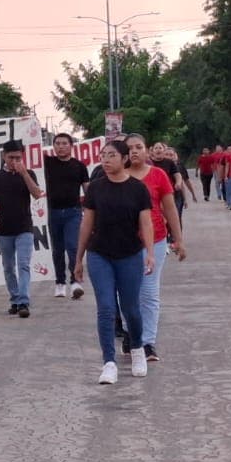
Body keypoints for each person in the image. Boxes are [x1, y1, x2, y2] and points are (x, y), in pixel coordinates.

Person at [73, 139, 155, 384]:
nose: (105, 160)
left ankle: (137, 349)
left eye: (111, 155)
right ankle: (109, 362)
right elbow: (87, 224)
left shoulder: (138, 189)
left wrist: (150, 253)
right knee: (106, 308)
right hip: (100, 254)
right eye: (103, 155)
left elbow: (146, 223)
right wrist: (78, 258)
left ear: (124, 158)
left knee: (131, 309)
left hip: (130, 254)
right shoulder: (96, 189)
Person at [123, 134, 186, 364]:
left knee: (149, 292)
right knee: (127, 293)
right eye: (129, 148)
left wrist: (178, 240)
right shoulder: (118, 176)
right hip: (123, 243)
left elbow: (170, 209)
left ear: (147, 150)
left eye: (139, 147)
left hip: (156, 240)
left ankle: (148, 341)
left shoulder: (158, 175)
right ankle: (130, 332)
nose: (134, 151)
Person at [0, 139, 43, 318]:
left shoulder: (29, 173)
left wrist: (24, 174)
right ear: (4, 156)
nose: (14, 161)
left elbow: (37, 194)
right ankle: (15, 299)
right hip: (4, 228)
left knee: (23, 264)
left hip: (24, 227)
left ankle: (24, 301)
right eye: (11, 158)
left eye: (18, 158)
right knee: (8, 267)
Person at [44, 133, 90, 299]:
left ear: (71, 146)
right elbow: (29, 152)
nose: (60, 146)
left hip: (73, 212)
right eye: (57, 143)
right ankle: (60, 282)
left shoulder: (79, 166)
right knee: (57, 249)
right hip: (53, 212)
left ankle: (75, 281)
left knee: (72, 247)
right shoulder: (47, 163)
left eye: (64, 143)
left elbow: (87, 189)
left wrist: (92, 209)